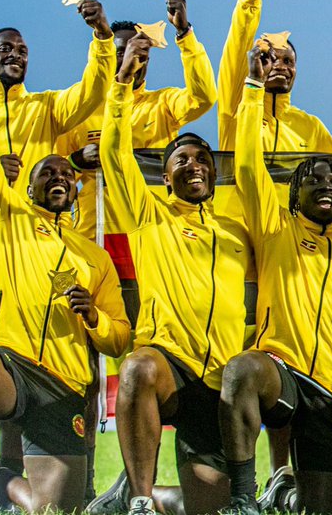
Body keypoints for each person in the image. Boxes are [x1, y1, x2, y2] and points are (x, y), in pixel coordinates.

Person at [218, 45, 332, 515]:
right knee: (241, 370)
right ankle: (243, 498)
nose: (326, 186)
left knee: (321, 509)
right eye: (313, 180)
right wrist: (254, 88)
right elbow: (245, 165)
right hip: (282, 374)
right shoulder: (275, 228)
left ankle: (305, 491)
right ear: (293, 194)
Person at [101, 40, 252, 515]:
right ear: (164, 178)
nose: (194, 165)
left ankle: (145, 494)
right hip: (169, 365)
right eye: (181, 160)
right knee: (137, 368)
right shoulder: (149, 213)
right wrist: (122, 82)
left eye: (203, 158)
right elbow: (112, 149)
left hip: (219, 380)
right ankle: (141, 500)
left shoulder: (236, 228)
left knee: (205, 507)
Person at [0, 77, 130, 514]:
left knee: (51, 508)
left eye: (68, 174)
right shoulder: (7, 218)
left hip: (63, 386)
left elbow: (119, 338)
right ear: (28, 187)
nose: (61, 177)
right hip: (13, 368)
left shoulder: (94, 258)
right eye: (48, 172)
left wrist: (95, 317)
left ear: (78, 189)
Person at [58, 0, 217, 319]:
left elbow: (204, 97)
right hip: (93, 238)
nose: (133, 60)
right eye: (122, 52)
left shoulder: (162, 105)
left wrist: (185, 34)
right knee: (91, 328)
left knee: (149, 323)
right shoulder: (81, 109)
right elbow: (52, 174)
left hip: (150, 234)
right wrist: (75, 161)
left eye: (141, 53)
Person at [0, 0, 115, 345]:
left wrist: (102, 37)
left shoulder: (45, 107)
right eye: (5, 48)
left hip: (35, 244)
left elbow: (93, 92)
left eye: (23, 50)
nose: (16, 55)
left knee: (40, 338)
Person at [217, 0, 332, 153]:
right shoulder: (236, 109)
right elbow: (239, 41)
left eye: (288, 61)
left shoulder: (311, 127)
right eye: (271, 59)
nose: (281, 66)